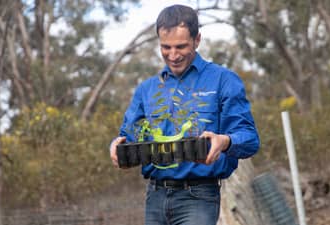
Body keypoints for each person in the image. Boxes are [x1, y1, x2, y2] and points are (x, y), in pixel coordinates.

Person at [109, 4, 260, 225]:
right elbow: (128, 136)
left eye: (180, 46)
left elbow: (250, 139)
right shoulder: (146, 89)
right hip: (155, 197)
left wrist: (225, 141)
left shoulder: (223, 80)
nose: (173, 55)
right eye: (165, 47)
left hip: (198, 197)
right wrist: (116, 146)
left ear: (197, 40)